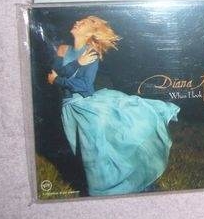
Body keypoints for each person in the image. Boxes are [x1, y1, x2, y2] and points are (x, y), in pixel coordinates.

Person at [47, 16, 179, 195]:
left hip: (87, 109)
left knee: (96, 155)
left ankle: (110, 192)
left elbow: (84, 86)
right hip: (69, 109)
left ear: (91, 33)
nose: (77, 22)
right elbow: (52, 75)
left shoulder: (92, 53)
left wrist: (59, 80)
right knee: (82, 153)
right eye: (79, 21)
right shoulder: (63, 49)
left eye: (83, 23)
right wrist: (76, 64)